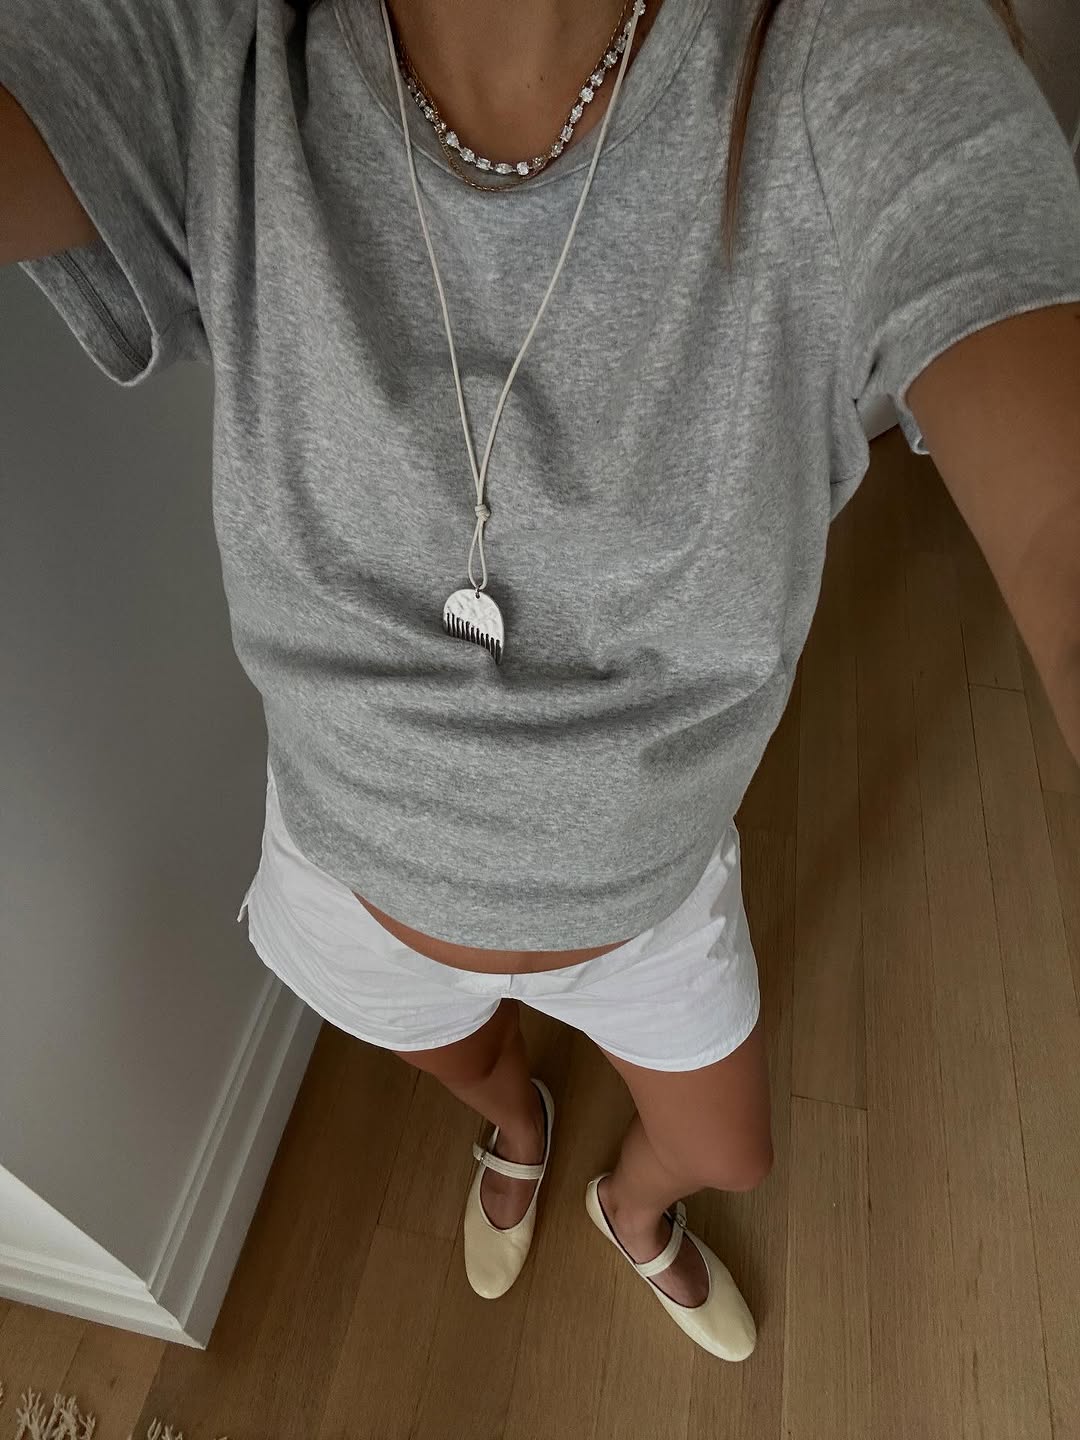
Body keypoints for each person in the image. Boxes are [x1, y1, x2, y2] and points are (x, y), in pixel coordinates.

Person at [2, 0, 1078, 1363]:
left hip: (643, 909)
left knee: (730, 1153)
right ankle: (518, 1129)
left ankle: (634, 1205)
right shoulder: (213, 49)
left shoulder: (856, 61)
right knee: (469, 1071)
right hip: (351, 895)